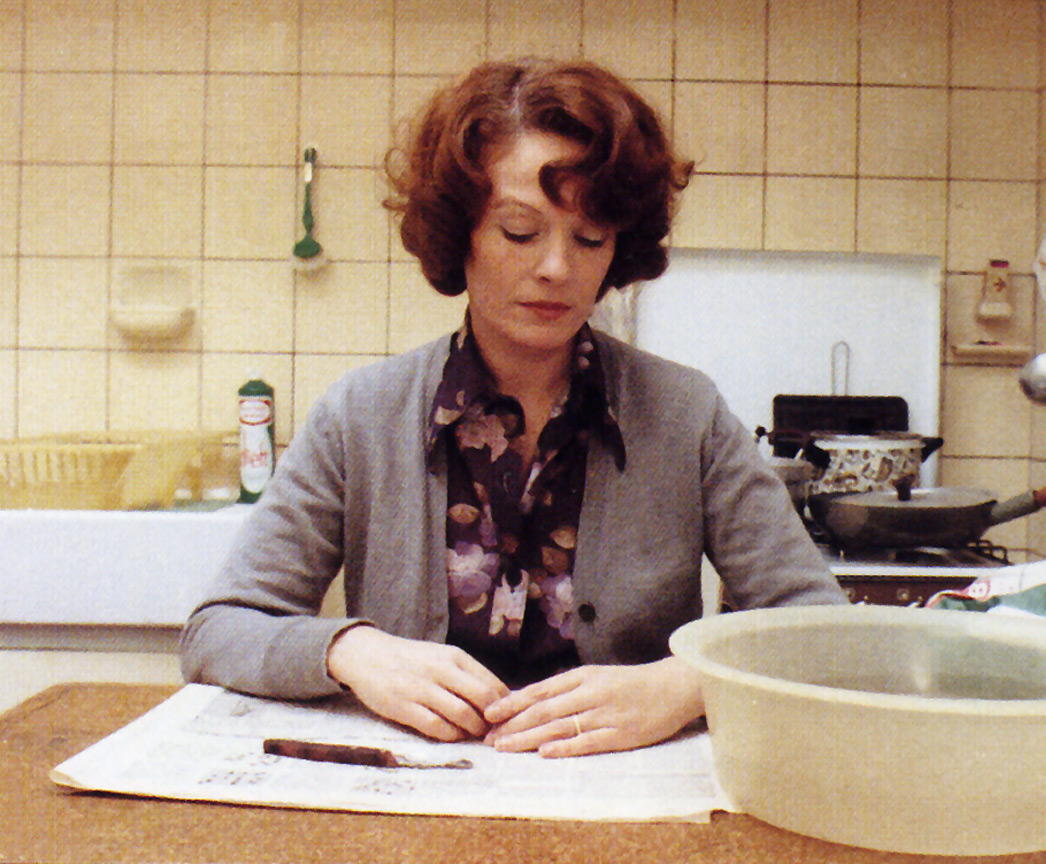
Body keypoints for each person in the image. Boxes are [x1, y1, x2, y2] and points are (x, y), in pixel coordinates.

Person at [180, 57, 845, 759]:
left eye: (590, 238)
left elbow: (823, 630)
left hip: (620, 798)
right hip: (412, 798)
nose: (557, 267)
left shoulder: (687, 415)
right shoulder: (360, 417)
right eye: (520, 232)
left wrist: (689, 685)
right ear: (458, 232)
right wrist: (351, 650)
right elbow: (217, 630)